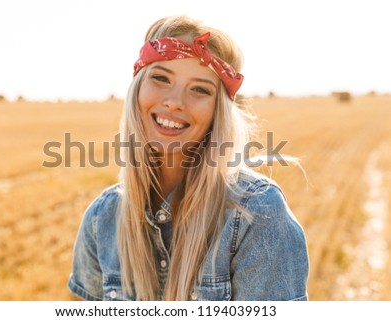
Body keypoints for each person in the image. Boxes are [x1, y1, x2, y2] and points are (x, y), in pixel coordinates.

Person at [68, 15, 309, 301]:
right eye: (160, 78)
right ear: (137, 89)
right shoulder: (102, 219)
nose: (174, 101)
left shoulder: (256, 214)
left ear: (217, 112)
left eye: (200, 89)